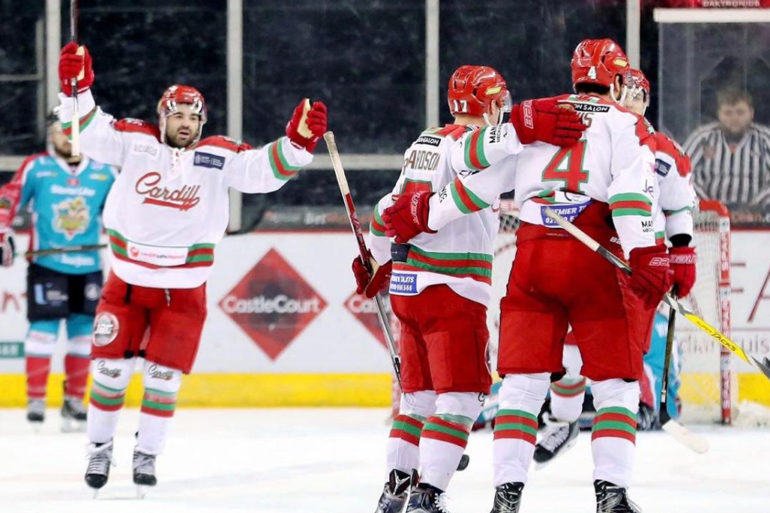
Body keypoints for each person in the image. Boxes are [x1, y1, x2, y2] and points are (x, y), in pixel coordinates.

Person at [382, 39, 671, 513]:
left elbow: (480, 181)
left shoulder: (540, 114)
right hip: (594, 261)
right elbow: (630, 192)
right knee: (616, 385)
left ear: (576, 76)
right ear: (618, 81)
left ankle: (506, 497)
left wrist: (426, 215)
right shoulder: (627, 123)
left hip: (533, 259)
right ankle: (611, 495)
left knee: (521, 386)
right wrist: (647, 250)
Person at [56, 41, 327, 493]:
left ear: (202, 123)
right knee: (110, 373)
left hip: (184, 292)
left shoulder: (219, 156)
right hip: (126, 283)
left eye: (193, 117)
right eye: (178, 115)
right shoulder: (134, 141)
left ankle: (147, 453)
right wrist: (76, 90)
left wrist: (298, 144)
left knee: (163, 378)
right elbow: (86, 129)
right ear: (162, 117)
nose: (186, 124)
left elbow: (262, 171)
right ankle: (99, 449)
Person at [352, 65, 584, 513]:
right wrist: (526, 129)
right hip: (452, 289)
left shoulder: (423, 141)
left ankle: (395, 487)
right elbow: (474, 162)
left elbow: (387, 209)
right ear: (491, 103)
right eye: (501, 101)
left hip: (407, 287)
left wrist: (375, 256)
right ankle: (428, 496)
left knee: (417, 400)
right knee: (460, 398)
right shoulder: (472, 146)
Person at [533, 67, 697, 466]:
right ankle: (563, 419)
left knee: (626, 355)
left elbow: (679, 206)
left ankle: (623, 432)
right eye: (628, 95)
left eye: (640, 97)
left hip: (643, 261)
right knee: (569, 351)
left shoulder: (663, 148)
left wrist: (681, 256)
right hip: (595, 256)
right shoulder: (597, 135)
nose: (632, 104)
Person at [0, 112, 116, 432]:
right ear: (50, 135)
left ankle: (75, 400)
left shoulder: (106, 172)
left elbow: (125, 213)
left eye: (73, 130)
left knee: (83, 337)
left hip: (89, 267)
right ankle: (36, 399)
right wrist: (2, 230)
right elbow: (8, 198)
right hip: (47, 266)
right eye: (60, 130)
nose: (67, 136)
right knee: (43, 332)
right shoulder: (37, 167)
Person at [683, 88, 770, 215]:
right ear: (719, 114)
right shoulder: (702, 138)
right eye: (728, 113)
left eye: (740, 112)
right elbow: (682, 175)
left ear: (751, 113)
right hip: (707, 219)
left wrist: (754, 208)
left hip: (758, 217)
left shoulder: (765, 139)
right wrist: (711, 207)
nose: (734, 118)